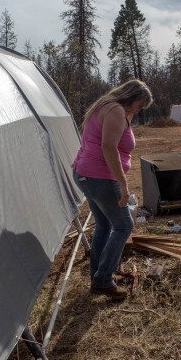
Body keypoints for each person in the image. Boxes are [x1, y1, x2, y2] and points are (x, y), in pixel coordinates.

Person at [72, 79, 153, 298]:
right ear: (132, 98)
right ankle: (103, 280)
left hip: (86, 175)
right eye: (140, 105)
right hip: (100, 178)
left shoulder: (105, 105)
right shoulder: (116, 111)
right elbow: (108, 147)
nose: (139, 110)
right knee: (124, 226)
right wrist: (123, 185)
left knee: (104, 224)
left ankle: (98, 274)